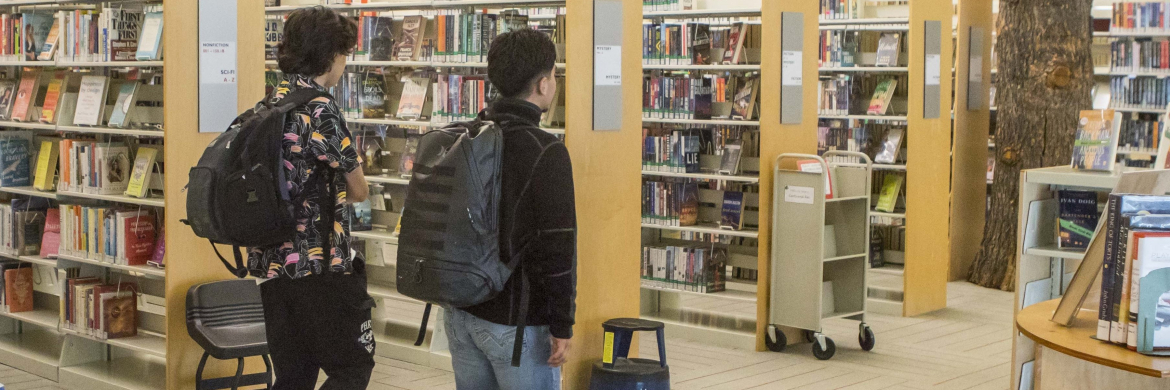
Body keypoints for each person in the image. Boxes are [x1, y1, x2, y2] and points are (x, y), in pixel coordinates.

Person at [444, 28, 578, 390]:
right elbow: (557, 248)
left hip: (460, 314)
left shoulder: (462, 136)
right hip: (515, 323)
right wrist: (562, 323)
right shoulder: (545, 150)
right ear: (543, 83)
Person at [249, 7, 373, 390]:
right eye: (344, 52)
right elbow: (359, 189)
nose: (345, 62)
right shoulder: (321, 109)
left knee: (294, 375)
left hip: (273, 263)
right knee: (353, 366)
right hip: (318, 264)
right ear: (330, 54)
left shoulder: (271, 102)